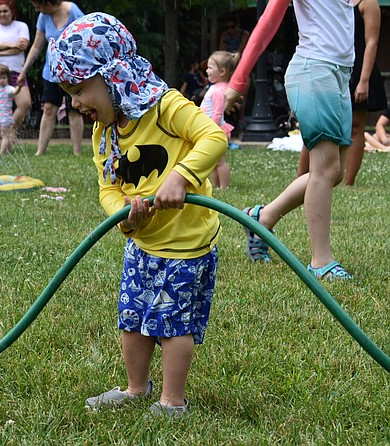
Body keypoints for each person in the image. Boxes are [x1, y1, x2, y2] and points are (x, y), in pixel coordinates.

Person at [49, 12, 227, 416]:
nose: (75, 104)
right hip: (142, 243)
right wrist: (125, 218)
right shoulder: (105, 132)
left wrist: (182, 176)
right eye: (68, 93)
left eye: (79, 90)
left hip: (186, 245)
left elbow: (212, 138)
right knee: (132, 318)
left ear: (114, 76)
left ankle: (172, 401)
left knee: (172, 324)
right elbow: (108, 188)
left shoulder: (166, 107)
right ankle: (135, 389)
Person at [225, 0, 354, 279]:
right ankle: (321, 261)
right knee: (325, 169)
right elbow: (268, 21)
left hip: (340, 74)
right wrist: (238, 80)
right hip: (314, 69)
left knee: (334, 173)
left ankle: (263, 217)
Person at [296, 0, 384, 186]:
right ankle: (301, 178)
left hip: (360, 68)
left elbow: (372, 42)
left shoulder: (368, 3)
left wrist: (364, 80)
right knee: (316, 125)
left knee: (356, 126)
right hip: (329, 64)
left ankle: (348, 182)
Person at [18, 0, 84, 156]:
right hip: (52, 72)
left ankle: (77, 152)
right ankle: (40, 151)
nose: (37, 10)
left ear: (48, 3)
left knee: (74, 109)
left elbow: (87, 38)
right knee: (48, 109)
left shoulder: (73, 11)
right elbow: (36, 46)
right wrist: (23, 71)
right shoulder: (44, 16)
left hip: (73, 71)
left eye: (38, 6)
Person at [0, 0, 32, 140]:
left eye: (5, 11)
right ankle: (6, 136)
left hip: (16, 71)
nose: (2, 14)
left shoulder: (21, 26)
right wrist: (12, 46)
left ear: (12, 12)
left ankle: (10, 131)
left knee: (25, 103)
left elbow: (22, 47)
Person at [200, 51, 238, 189]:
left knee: (220, 162)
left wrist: (212, 129)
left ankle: (224, 187)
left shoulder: (218, 90)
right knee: (214, 161)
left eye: (210, 67)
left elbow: (217, 112)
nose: (206, 70)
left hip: (216, 130)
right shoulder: (216, 88)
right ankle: (216, 186)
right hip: (214, 129)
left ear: (222, 71)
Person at [0, 64, 22, 154]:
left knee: (4, 135)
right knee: (6, 134)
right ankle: (10, 150)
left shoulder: (8, 89)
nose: (1, 80)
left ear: (7, 78)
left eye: (4, 78)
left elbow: (15, 91)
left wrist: (19, 86)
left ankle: (1, 152)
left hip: (5, 116)